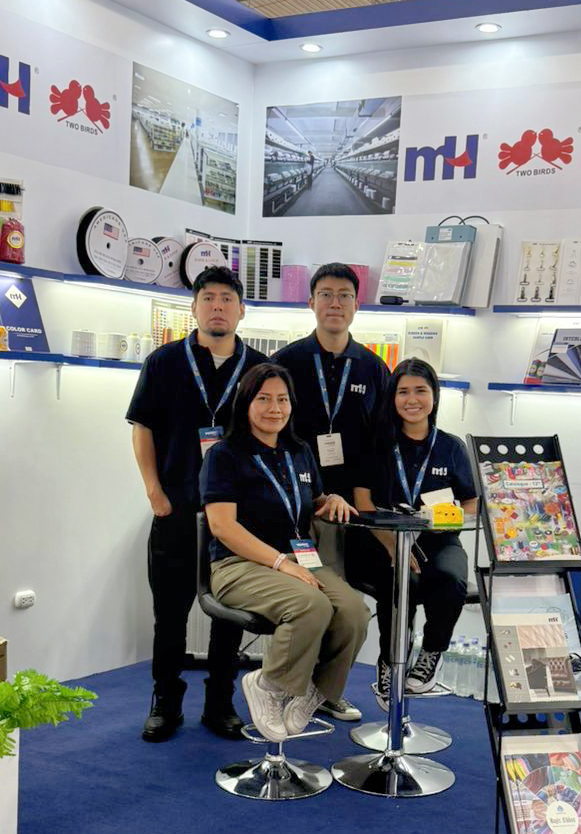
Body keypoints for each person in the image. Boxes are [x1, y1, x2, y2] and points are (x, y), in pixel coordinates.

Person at [126, 265, 268, 743]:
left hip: (238, 520)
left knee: (229, 616)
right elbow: (142, 428)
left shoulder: (260, 369)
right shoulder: (165, 362)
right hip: (178, 510)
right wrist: (154, 492)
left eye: (227, 299)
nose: (217, 307)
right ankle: (165, 701)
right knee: (169, 613)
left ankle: (219, 703)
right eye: (208, 298)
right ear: (194, 307)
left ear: (242, 310)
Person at [201, 363, 371, 742]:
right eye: (263, 399)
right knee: (312, 605)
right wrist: (280, 562)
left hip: (299, 560)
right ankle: (270, 685)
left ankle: (315, 692)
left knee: (354, 612)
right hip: (239, 565)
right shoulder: (224, 455)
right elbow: (222, 526)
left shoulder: (299, 451)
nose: (274, 408)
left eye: (282, 399)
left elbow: (312, 500)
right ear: (246, 403)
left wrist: (331, 499)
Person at [271, 262, 390, 722]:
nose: (334, 303)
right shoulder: (286, 363)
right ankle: (289, 691)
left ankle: (326, 691)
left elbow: (381, 444)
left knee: (349, 605)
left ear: (357, 305)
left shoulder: (373, 368)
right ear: (311, 302)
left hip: (354, 509)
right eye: (326, 294)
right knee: (311, 601)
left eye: (344, 295)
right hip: (296, 505)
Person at [350, 358, 479, 709]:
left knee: (452, 579)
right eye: (403, 391)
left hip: (438, 540)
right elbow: (363, 501)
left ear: (434, 396)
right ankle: (391, 661)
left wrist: (445, 519)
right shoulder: (377, 444)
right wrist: (394, 545)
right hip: (383, 541)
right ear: (392, 397)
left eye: (420, 391)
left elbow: (471, 503)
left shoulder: (451, 447)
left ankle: (431, 653)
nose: (412, 400)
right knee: (402, 581)